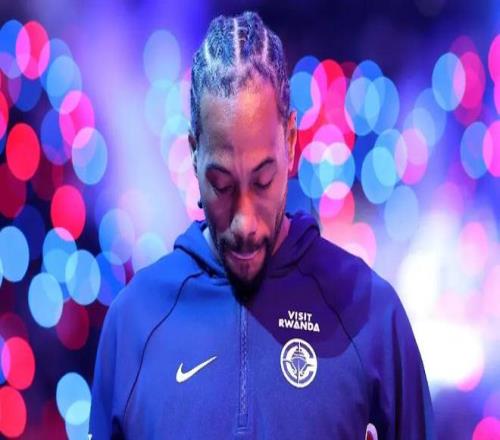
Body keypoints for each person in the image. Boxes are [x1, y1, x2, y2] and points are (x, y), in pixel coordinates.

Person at [90, 11, 435, 439]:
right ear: (194, 155)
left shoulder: (371, 315)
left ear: (290, 141)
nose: (244, 221)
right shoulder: (135, 322)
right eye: (222, 185)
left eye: (263, 180)